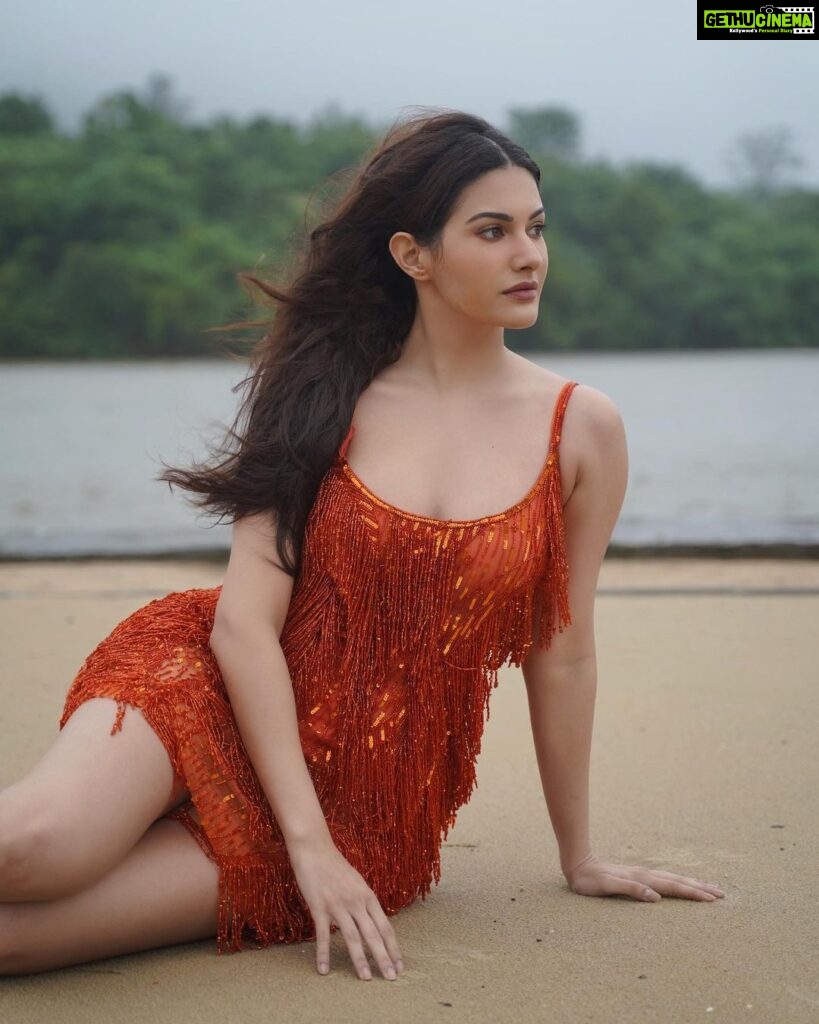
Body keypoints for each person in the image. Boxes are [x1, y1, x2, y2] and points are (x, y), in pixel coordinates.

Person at [0, 108, 725, 981]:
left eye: (535, 228)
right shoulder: (321, 393)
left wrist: (579, 856)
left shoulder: (582, 430)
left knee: (17, 941)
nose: (528, 255)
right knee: (34, 850)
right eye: (490, 232)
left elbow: (560, 652)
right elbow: (241, 627)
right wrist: (304, 847)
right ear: (411, 254)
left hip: (370, 812)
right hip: (209, 683)